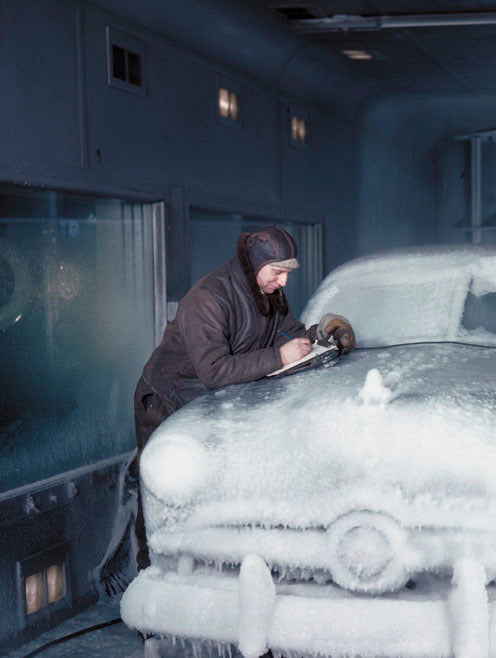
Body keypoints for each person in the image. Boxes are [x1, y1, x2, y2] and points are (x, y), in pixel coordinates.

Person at [129, 225, 354, 570]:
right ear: (255, 265)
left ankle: (215, 569)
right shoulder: (208, 299)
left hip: (214, 403)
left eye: (287, 274)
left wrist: (324, 334)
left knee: (213, 492)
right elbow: (214, 371)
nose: (284, 283)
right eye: (278, 272)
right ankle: (156, 577)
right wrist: (280, 357)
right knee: (166, 497)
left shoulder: (268, 292)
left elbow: (289, 332)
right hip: (168, 403)